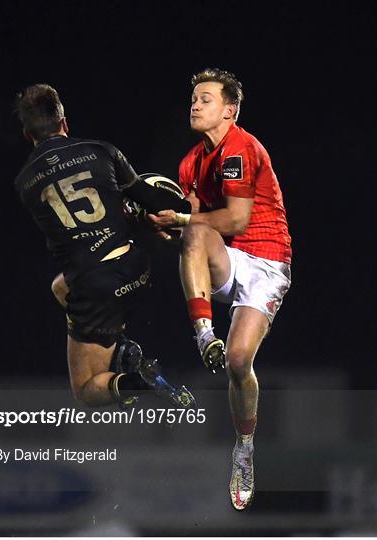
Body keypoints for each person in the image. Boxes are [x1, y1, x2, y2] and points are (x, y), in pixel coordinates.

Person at [148, 68, 292, 510]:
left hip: (267, 260)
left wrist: (186, 224)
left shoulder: (242, 148)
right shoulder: (190, 162)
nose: (194, 104)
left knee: (238, 362)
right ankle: (203, 334)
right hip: (228, 258)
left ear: (229, 111)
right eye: (193, 97)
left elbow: (235, 220)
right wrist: (164, 226)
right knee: (191, 236)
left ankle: (244, 447)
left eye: (205, 98)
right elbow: (194, 230)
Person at [15, 84, 195, 410]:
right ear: (64, 122)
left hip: (97, 286)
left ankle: (138, 381)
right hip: (135, 265)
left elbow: (72, 234)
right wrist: (167, 214)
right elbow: (151, 200)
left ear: (27, 133)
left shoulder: (25, 182)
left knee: (86, 390)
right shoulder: (103, 151)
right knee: (60, 287)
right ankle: (122, 346)